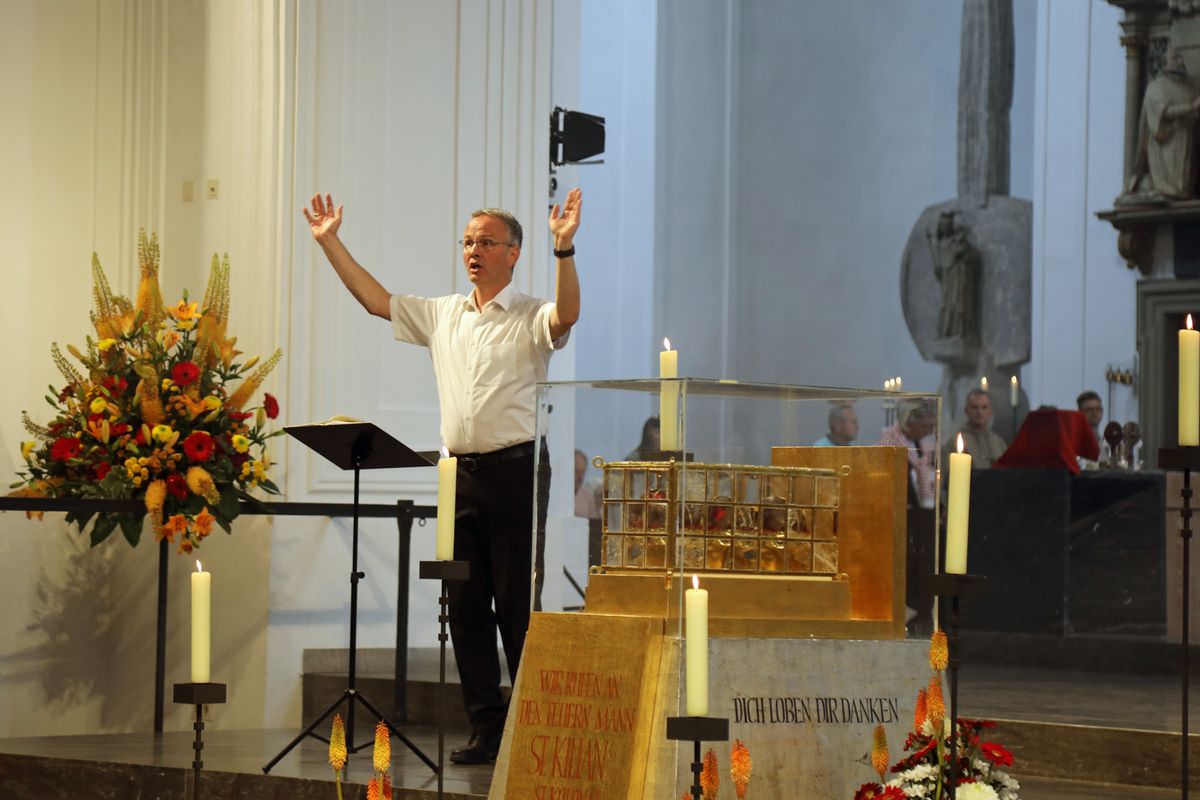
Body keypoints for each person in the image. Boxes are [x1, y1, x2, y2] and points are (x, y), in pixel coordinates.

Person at [303, 187, 582, 765]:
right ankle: (487, 724)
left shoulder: (530, 314)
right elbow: (375, 300)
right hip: (460, 476)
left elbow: (568, 316)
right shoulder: (444, 313)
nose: (473, 250)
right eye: (467, 242)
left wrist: (565, 250)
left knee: (513, 604)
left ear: (513, 252)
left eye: (486, 242)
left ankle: (530, 721)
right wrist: (331, 242)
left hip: (518, 471)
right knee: (464, 602)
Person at [1126, 51, 1200, 201]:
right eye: (1175, 58)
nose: (1180, 61)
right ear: (1164, 64)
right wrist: (1192, 107)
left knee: (1184, 184)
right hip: (1167, 143)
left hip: (1186, 141)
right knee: (1173, 185)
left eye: (1181, 58)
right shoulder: (1156, 87)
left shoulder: (1189, 88)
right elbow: (1164, 112)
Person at [943, 389, 1007, 468]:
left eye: (984, 407)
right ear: (966, 411)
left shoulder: (999, 443)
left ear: (990, 411)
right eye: (974, 407)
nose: (980, 412)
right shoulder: (955, 442)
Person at [574, 449, 598, 519]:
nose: (580, 477)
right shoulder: (555, 495)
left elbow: (593, 526)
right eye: (577, 471)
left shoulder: (588, 496)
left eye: (583, 472)